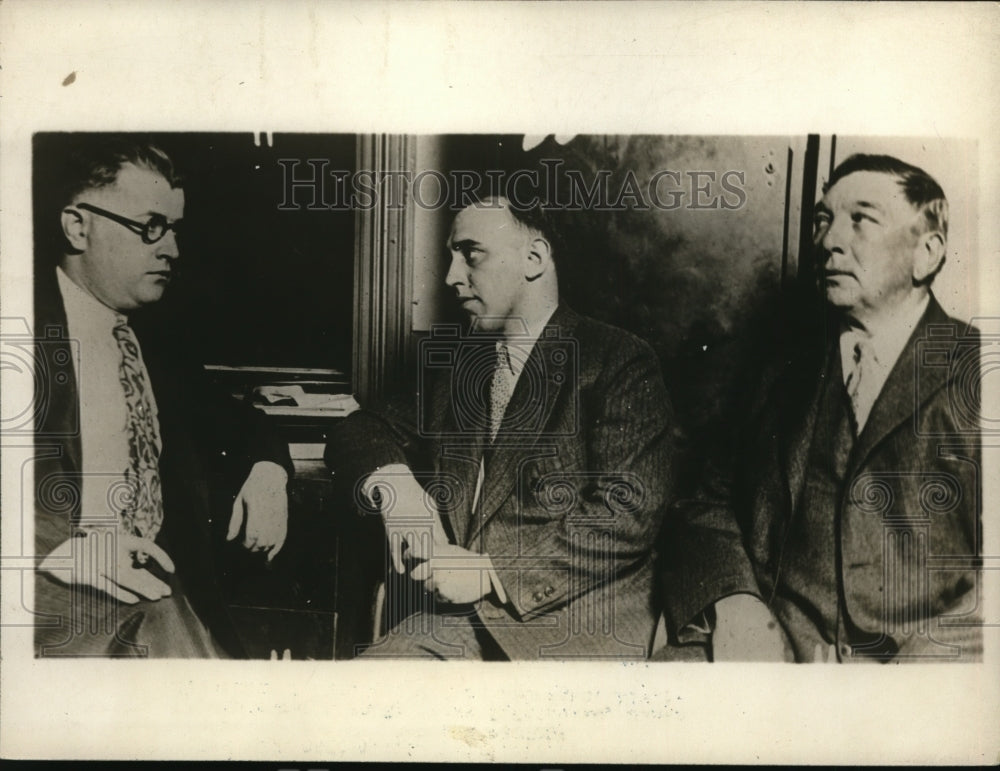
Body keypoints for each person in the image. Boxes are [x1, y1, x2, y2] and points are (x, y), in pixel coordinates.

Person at [325, 195, 678, 659]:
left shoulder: (617, 361)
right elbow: (361, 429)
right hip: (452, 626)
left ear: (534, 258)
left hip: (569, 626)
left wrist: (490, 571)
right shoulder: (459, 368)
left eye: (471, 254)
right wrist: (397, 490)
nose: (451, 277)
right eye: (451, 256)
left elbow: (625, 514)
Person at [662, 154, 982, 663]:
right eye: (823, 220)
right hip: (768, 644)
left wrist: (916, 676)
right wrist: (736, 602)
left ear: (927, 253)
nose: (830, 241)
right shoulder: (781, 365)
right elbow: (708, 497)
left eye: (861, 219)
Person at [33, 136, 293, 658]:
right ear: (77, 226)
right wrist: (51, 551)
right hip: (43, 598)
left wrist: (269, 472)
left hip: (152, 596)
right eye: (151, 226)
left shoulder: (153, 342)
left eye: (173, 229)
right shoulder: (21, 330)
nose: (171, 248)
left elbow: (240, 421)